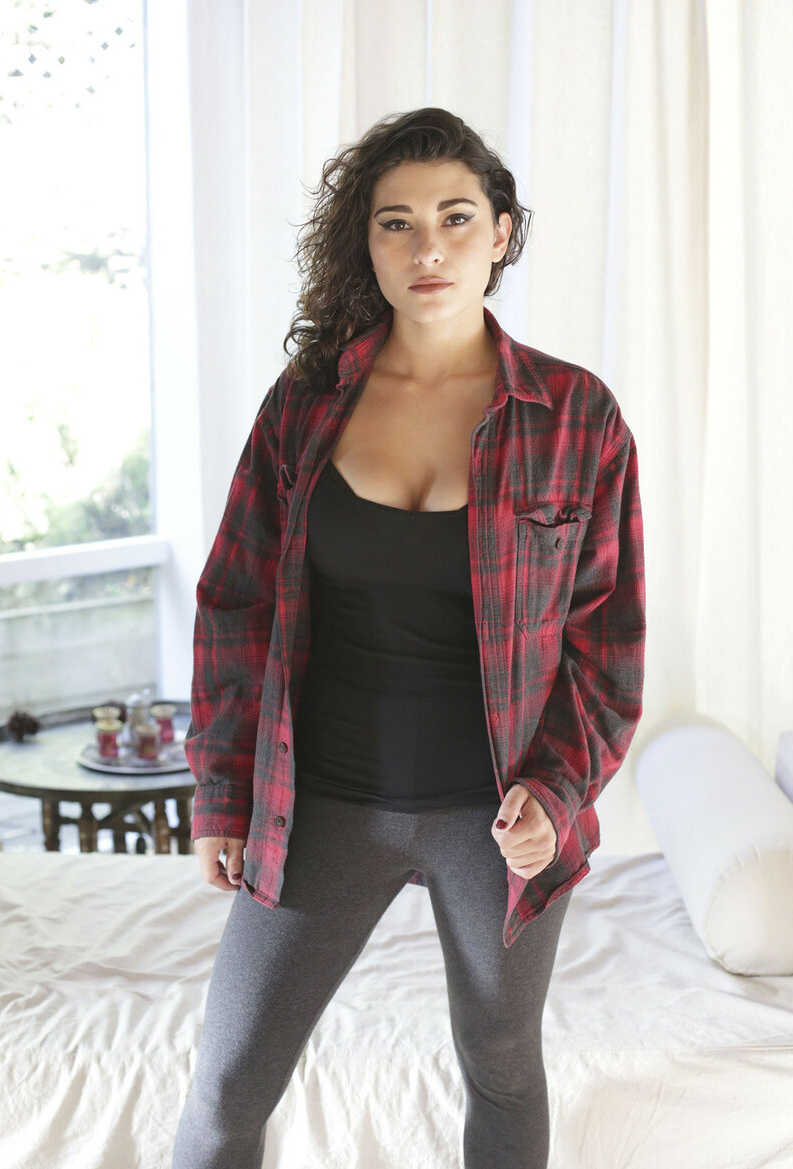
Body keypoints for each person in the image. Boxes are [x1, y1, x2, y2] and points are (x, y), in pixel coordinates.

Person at [171, 106, 646, 1169]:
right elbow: (236, 602)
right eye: (397, 223)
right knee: (228, 1085)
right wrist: (220, 793)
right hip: (321, 802)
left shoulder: (577, 416)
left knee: (501, 1062)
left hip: (497, 816)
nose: (428, 247)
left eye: (455, 217)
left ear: (502, 232)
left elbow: (607, 644)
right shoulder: (305, 405)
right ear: (368, 242)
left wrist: (557, 792)